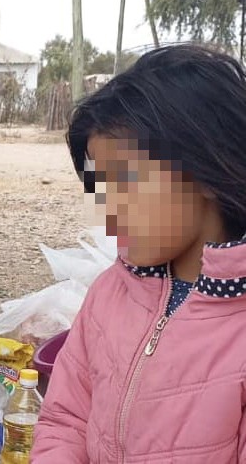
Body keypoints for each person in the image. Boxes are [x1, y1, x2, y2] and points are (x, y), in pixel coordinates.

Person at [32, 45, 246, 462]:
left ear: (207, 170)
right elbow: (66, 420)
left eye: (124, 181)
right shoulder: (110, 293)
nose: (107, 208)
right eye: (99, 187)